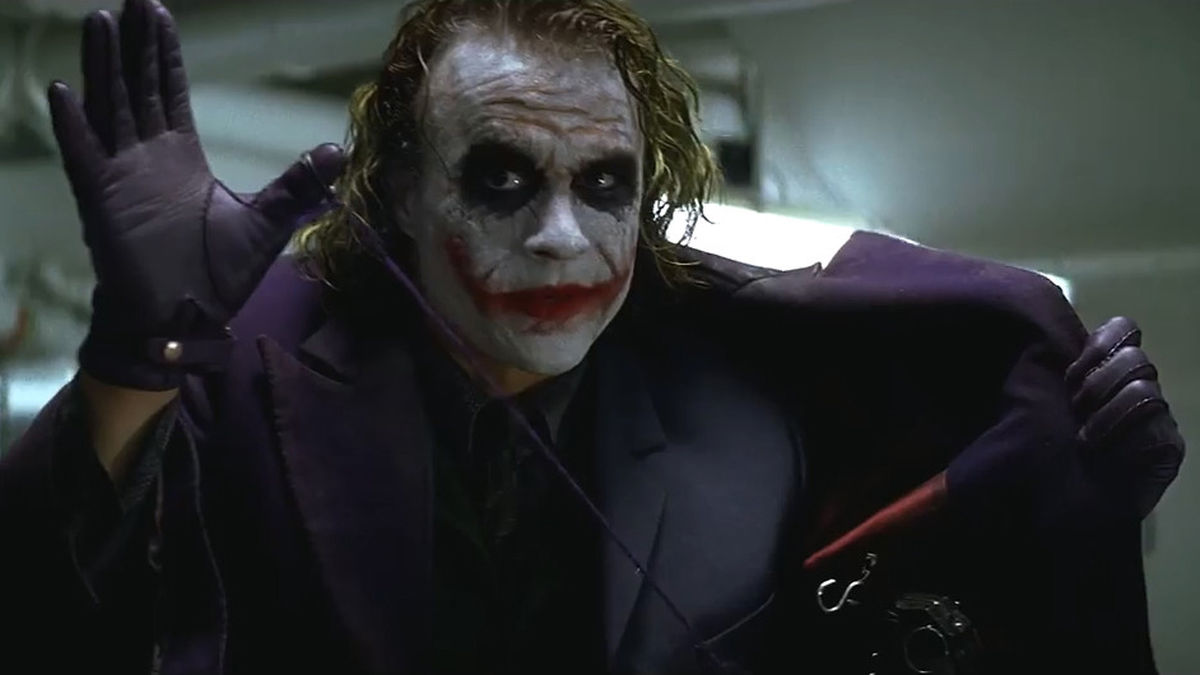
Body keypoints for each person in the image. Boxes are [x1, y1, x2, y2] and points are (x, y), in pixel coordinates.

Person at [0, 0, 1184, 673]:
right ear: (401, 191)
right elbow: (42, 603)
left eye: (605, 184)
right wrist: (133, 362)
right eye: (502, 179)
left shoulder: (750, 413)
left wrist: (1064, 509)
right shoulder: (251, 376)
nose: (563, 239)